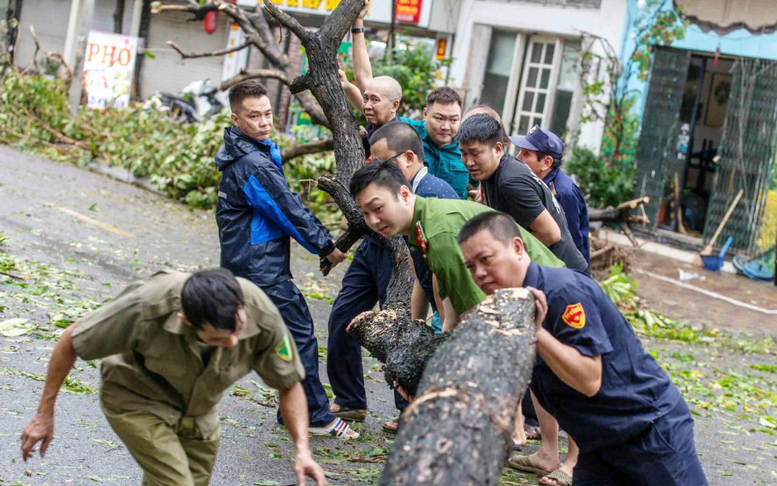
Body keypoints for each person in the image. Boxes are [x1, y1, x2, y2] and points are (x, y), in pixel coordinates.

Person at [458, 212, 709, 486]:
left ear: (517, 248)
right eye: (470, 266)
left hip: (648, 430)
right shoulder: (507, 307)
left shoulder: (563, 293)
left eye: (486, 259)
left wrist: (535, 334)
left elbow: (590, 380)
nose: (479, 274)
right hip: (598, 442)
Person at [20, 269, 329, 486]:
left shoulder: (261, 313)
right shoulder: (147, 305)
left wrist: (302, 448)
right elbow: (71, 341)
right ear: (187, 322)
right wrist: (44, 413)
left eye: (237, 331)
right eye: (219, 340)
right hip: (136, 399)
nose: (233, 344)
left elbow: (289, 383)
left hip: (200, 409)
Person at [214, 80, 356, 439]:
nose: (263, 122)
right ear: (235, 119)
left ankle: (292, 409)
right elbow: (287, 209)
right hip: (260, 268)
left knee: (274, 338)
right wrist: (326, 245)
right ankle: (316, 417)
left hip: (251, 264)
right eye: (253, 116)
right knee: (299, 335)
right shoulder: (251, 163)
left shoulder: (250, 154)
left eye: (266, 114)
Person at [326, 123, 458, 432]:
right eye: (373, 162)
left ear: (409, 158)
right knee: (345, 319)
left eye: (386, 162)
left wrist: (440, 324)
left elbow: (442, 274)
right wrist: (417, 321)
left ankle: (414, 411)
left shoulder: (431, 195)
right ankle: (353, 399)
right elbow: (421, 266)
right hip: (384, 260)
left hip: (454, 299)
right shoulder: (404, 206)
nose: (378, 169)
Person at [348, 160, 564, 332]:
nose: (373, 220)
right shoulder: (423, 222)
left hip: (552, 306)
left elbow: (477, 312)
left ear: (404, 194)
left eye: (377, 208)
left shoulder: (438, 232)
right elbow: (451, 296)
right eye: (366, 213)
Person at [348, 1, 472, 199]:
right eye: (439, 118)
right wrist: (358, 24)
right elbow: (368, 85)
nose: (446, 126)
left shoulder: (468, 150)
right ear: (425, 114)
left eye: (453, 120)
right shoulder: (406, 132)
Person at [458, 114, 589, 274]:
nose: (469, 161)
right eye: (464, 154)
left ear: (498, 149)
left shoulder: (510, 182)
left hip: (563, 274)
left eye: (476, 153)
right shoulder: (490, 171)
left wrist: (504, 259)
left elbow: (551, 234)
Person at [513, 125, 590, 266]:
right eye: (520, 151)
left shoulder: (563, 193)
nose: (517, 158)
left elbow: (569, 244)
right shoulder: (534, 181)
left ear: (546, 162)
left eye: (526, 154)